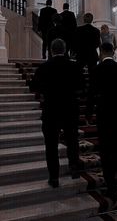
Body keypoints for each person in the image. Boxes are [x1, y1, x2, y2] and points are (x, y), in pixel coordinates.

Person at [31, 39, 82, 188]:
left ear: (51, 51)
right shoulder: (74, 67)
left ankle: (54, 177)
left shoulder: (44, 67)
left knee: (51, 145)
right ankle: (74, 168)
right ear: (65, 49)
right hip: (70, 109)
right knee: (72, 140)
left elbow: (34, 87)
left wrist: (44, 92)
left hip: (51, 110)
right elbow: (81, 88)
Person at [91, 42, 117, 201]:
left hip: (103, 115)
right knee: (116, 143)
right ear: (113, 51)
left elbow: (92, 93)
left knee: (105, 149)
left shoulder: (97, 70)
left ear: (101, 52)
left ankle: (111, 186)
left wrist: (89, 113)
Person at [72, 12, 101, 124]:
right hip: (92, 54)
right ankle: (92, 90)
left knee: (79, 72)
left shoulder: (78, 30)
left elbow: (75, 42)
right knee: (93, 74)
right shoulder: (96, 31)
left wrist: (75, 51)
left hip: (81, 53)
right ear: (92, 19)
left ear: (84, 19)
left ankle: (82, 88)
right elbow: (97, 43)